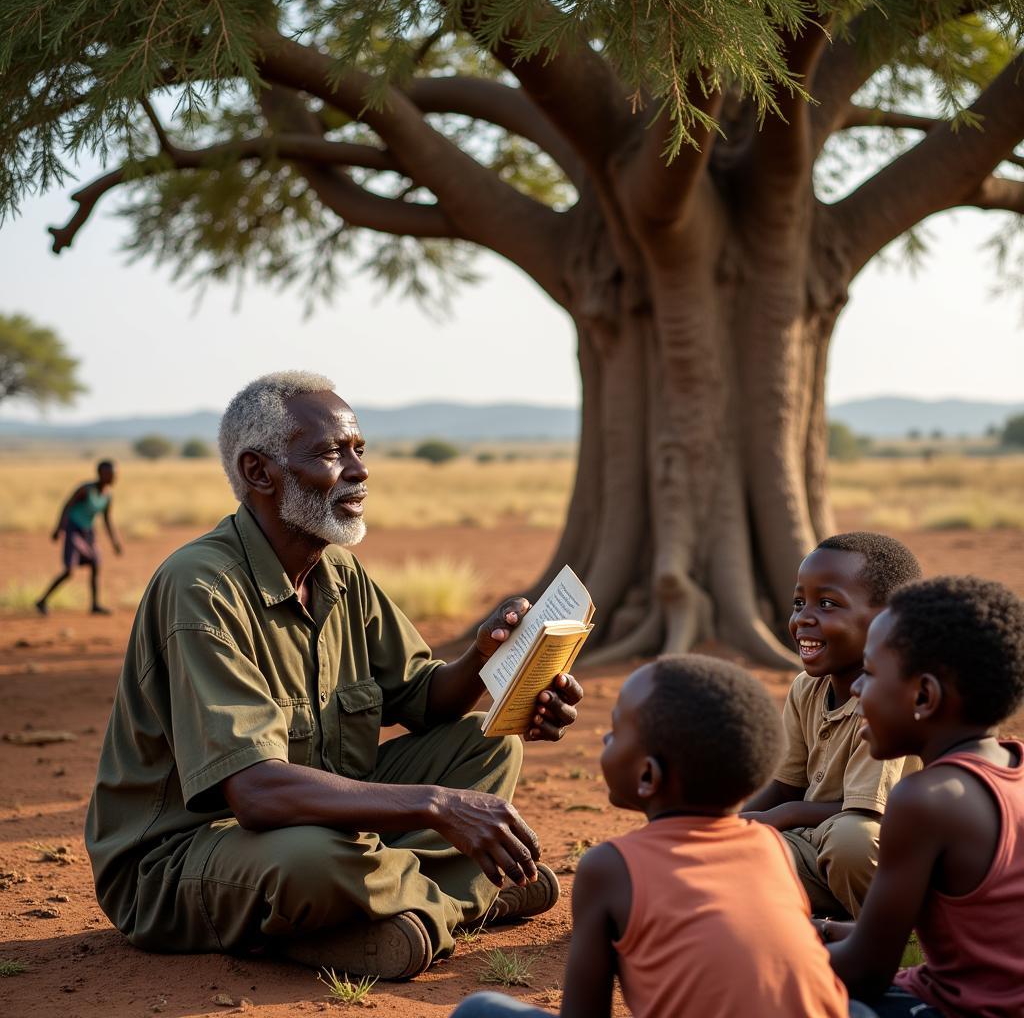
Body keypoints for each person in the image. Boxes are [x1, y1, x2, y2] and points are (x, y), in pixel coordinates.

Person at [85, 371, 583, 981]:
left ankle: (395, 908)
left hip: (318, 819)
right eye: (328, 452)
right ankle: (455, 900)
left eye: (359, 450)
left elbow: (426, 700)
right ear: (259, 472)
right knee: (314, 858)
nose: (359, 470)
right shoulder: (201, 588)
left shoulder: (338, 573)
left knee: (488, 745)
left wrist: (491, 660)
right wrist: (436, 805)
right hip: (184, 855)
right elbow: (255, 794)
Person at [453, 654, 863, 1018]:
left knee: (479, 1010)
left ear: (648, 776)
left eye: (615, 731)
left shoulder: (610, 869)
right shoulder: (769, 845)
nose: (605, 738)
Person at [822, 576, 1024, 1017]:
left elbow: (865, 970)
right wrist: (830, 931)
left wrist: (769, 953)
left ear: (925, 695)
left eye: (869, 674)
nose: (856, 688)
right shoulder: (1013, 767)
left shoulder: (925, 799)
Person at [742, 532, 922, 917]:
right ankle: (818, 929)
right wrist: (726, 827)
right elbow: (785, 785)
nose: (803, 617)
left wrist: (783, 816)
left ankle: (894, 941)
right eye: (798, 602)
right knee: (736, 855)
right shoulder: (807, 687)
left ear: (886, 621)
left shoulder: (890, 699)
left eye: (826, 604)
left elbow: (867, 814)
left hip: (886, 852)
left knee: (851, 842)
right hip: (815, 845)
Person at [36, 459, 122, 615]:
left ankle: (95, 605)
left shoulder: (108, 495)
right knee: (69, 570)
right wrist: (59, 528)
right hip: (73, 530)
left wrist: (115, 542)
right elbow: (67, 505)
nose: (113, 477)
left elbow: (107, 519)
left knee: (96, 564)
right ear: (100, 474)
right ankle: (42, 601)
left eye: (115, 474)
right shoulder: (85, 489)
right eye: (109, 474)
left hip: (88, 532)